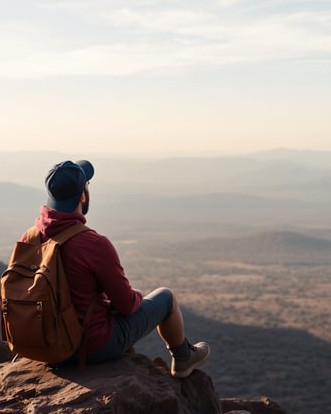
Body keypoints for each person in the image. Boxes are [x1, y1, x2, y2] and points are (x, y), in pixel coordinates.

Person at [23, 159, 209, 377]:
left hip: (43, 346)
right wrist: (137, 296)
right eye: (87, 186)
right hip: (89, 348)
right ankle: (184, 358)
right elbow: (127, 305)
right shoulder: (93, 243)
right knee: (167, 298)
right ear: (82, 196)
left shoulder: (30, 238)